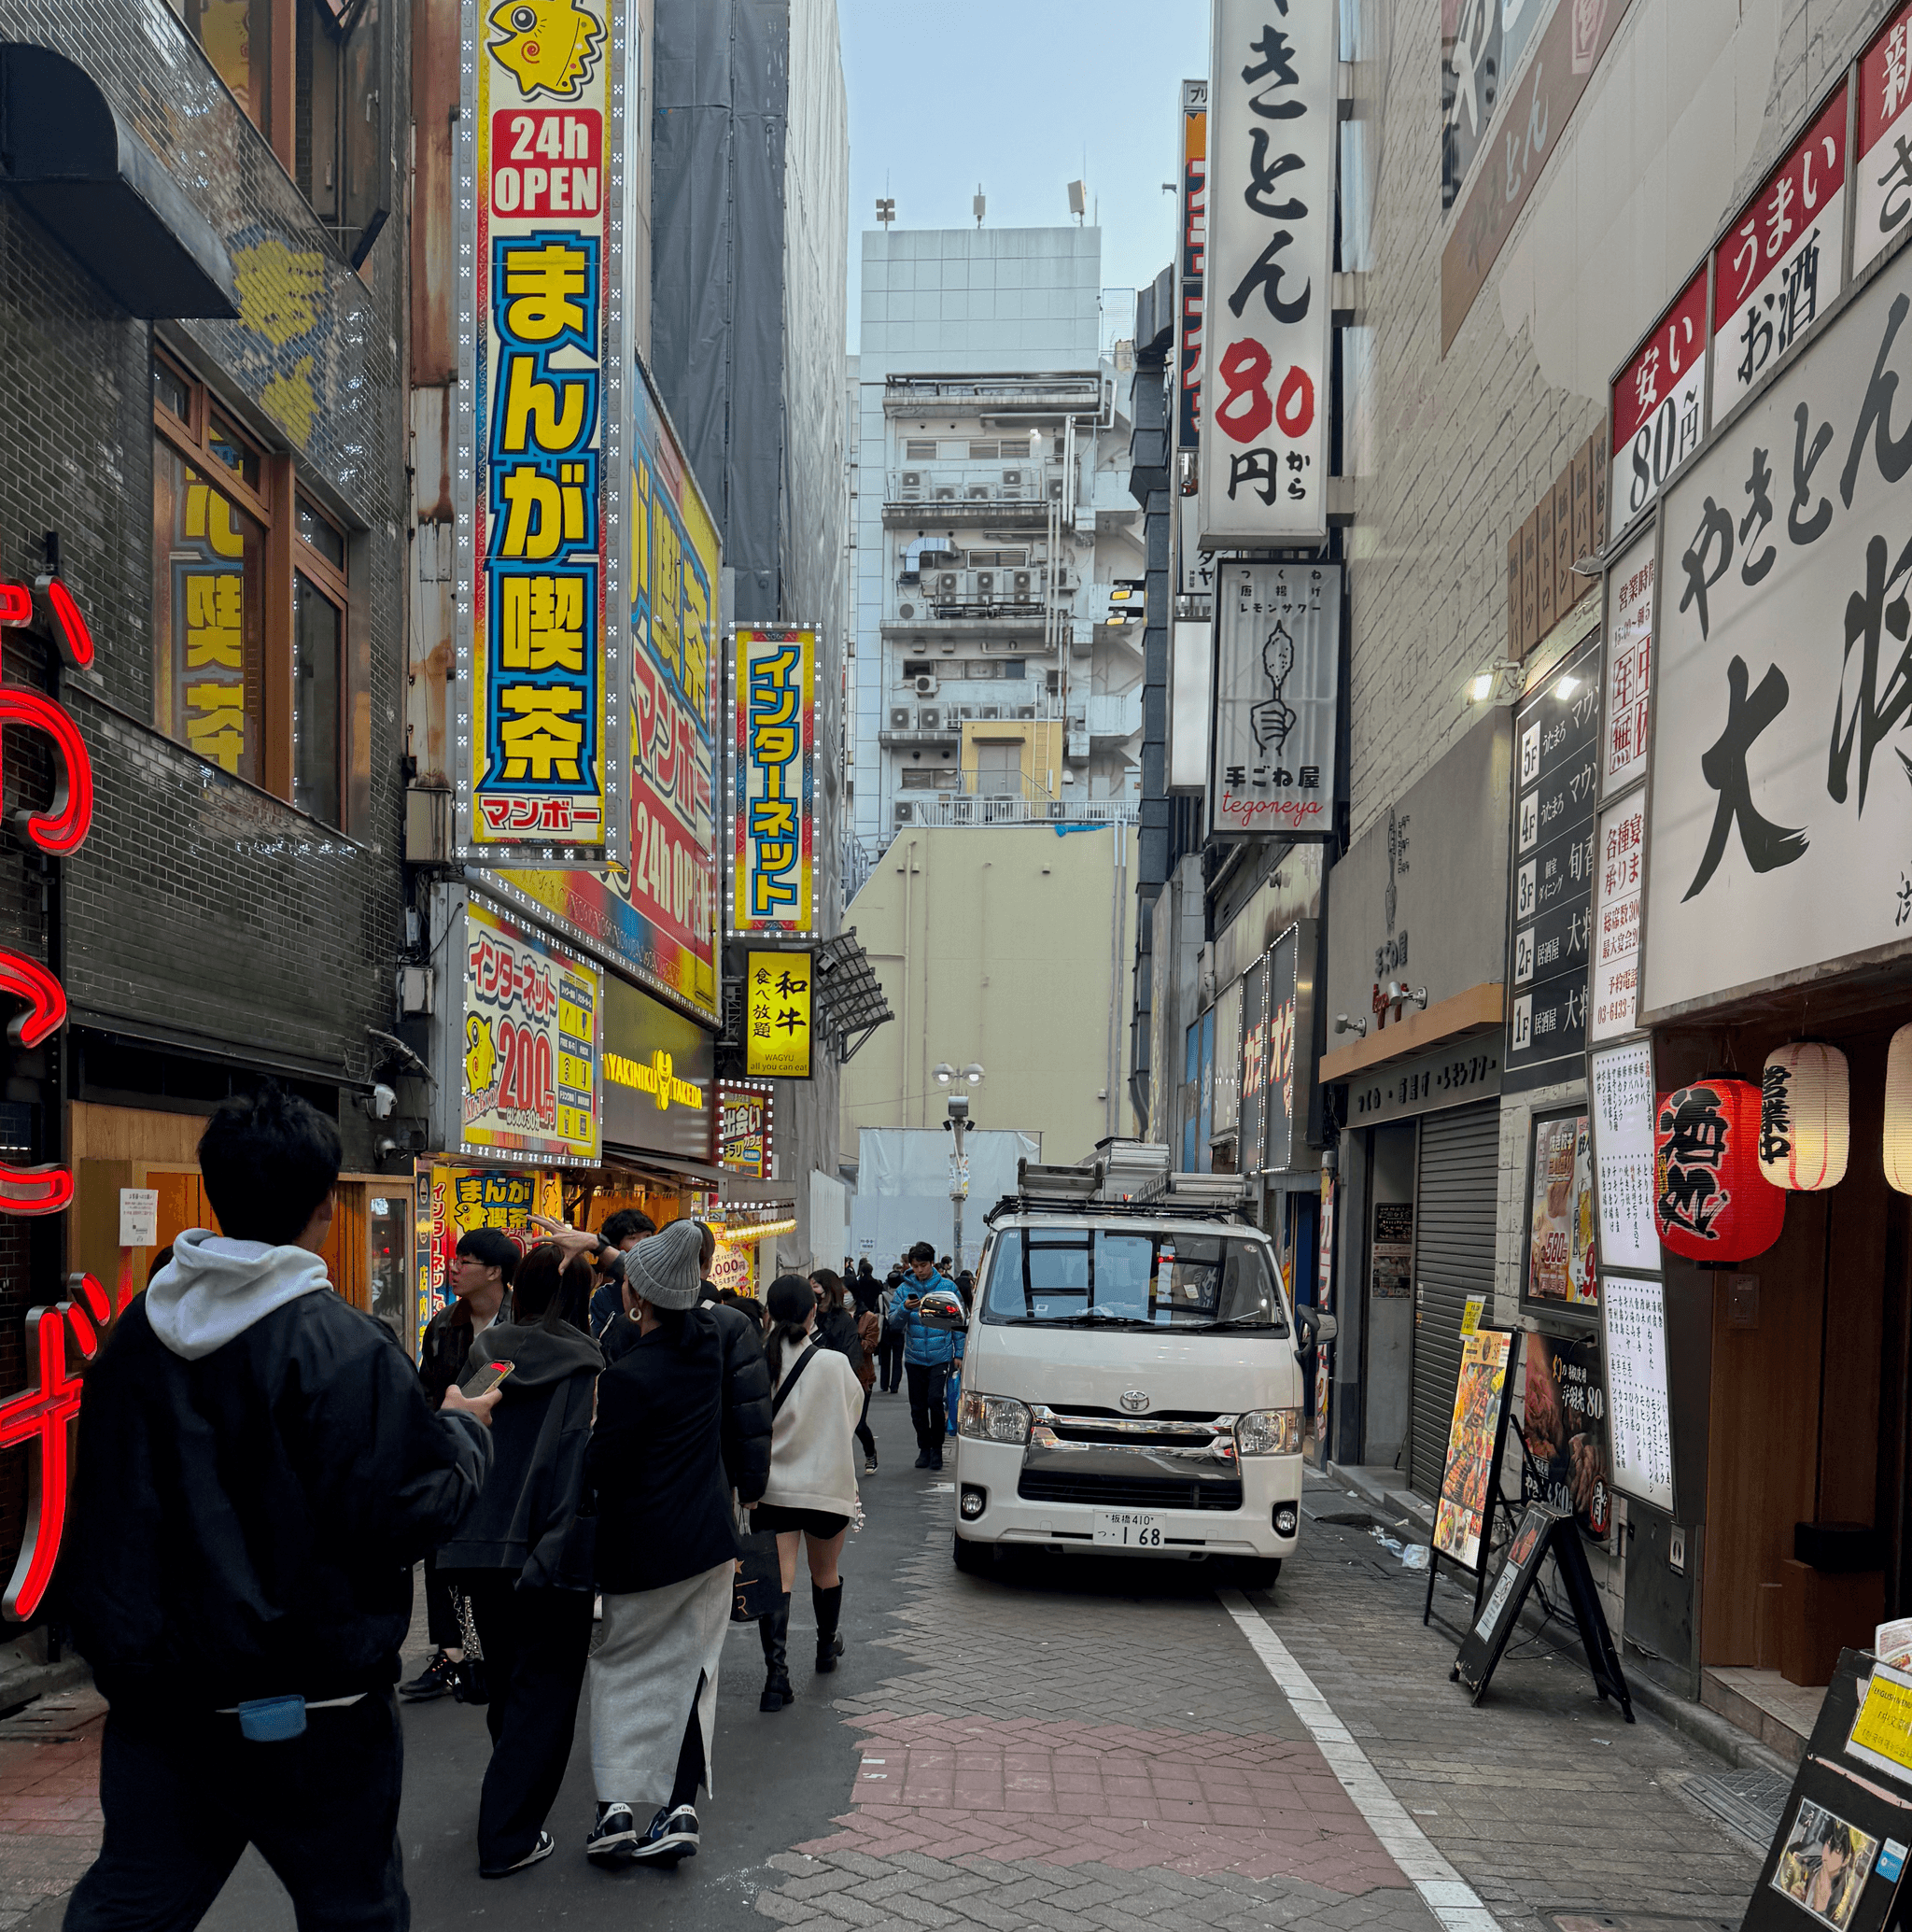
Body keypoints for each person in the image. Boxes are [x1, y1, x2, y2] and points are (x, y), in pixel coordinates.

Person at [62, 1084, 497, 1932]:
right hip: (316, 1710)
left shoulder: (132, 1339)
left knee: (130, 1906)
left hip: (163, 1705)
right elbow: (406, 1511)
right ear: (327, 1204)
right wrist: (466, 1439)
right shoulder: (341, 1345)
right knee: (352, 1910)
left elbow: (109, 1512)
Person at [584, 1223, 772, 1869]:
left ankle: (616, 1809)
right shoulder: (707, 1349)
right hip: (708, 1544)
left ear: (636, 1296)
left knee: (618, 1672)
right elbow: (669, 1286)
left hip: (641, 1549)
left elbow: (600, 1465)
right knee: (692, 1674)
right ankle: (680, 1808)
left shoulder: (630, 1374)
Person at [437, 1244, 604, 1878]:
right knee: (547, 1694)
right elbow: (574, 1460)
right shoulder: (586, 1364)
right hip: (545, 1545)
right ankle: (507, 1832)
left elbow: (466, 1423)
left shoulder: (493, 1353)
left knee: (508, 1683)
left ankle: (506, 1802)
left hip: (480, 1541)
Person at [402, 1224, 519, 1703]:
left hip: (507, 1456)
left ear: (494, 1271)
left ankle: (489, 1651)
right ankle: (450, 1654)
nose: (454, 1268)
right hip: (453, 1452)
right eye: (455, 1259)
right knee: (442, 1555)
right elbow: (430, 1388)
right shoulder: (443, 1323)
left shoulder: (520, 1323)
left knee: (491, 1558)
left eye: (465, 1261)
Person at [754, 1276, 865, 1712]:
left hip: (775, 1489)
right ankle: (824, 1647)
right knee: (826, 1571)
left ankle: (776, 1678)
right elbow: (851, 1415)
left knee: (779, 1580)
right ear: (812, 1312)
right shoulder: (835, 1364)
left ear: (769, 1312)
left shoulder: (756, 1360)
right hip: (826, 1487)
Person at [887, 1242, 960, 1469]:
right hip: (914, 1357)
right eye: (915, 1266)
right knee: (917, 1407)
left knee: (935, 1401)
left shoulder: (948, 1287)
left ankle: (937, 1449)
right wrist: (904, 1308)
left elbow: (959, 1322)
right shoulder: (903, 1289)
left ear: (932, 1263)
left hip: (941, 1356)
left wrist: (959, 1353)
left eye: (923, 1265)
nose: (919, 1270)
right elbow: (893, 1323)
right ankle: (924, 1448)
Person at [811, 1269, 877, 1472]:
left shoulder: (859, 1319)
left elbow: (867, 1348)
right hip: (820, 1380)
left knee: (856, 1424)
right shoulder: (811, 1315)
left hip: (857, 1378)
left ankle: (869, 1454)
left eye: (816, 1287)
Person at [585, 1208, 655, 1338]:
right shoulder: (604, 1297)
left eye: (648, 1236)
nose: (644, 1243)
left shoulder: (664, 1286)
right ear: (614, 1248)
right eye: (632, 1238)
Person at [876, 1269, 906, 1395]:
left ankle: (884, 1384)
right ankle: (894, 1386)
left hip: (886, 1330)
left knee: (885, 1358)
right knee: (898, 1359)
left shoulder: (882, 1296)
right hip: (900, 1329)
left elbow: (878, 1313)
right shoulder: (903, 1295)